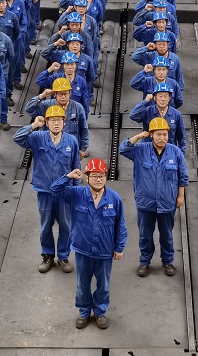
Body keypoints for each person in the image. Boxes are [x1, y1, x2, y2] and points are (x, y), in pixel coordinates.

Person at [51, 159, 127, 329]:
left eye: (101, 176)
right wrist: (68, 176)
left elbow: (120, 224)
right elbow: (55, 189)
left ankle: (100, 312)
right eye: (94, 176)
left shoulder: (114, 198)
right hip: (83, 249)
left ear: (105, 177)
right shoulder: (77, 194)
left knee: (104, 284)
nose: (98, 179)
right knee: (82, 283)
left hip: (104, 250)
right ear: (87, 177)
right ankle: (84, 311)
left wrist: (119, 247)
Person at [14, 106, 81, 273]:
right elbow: (17, 137)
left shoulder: (71, 141)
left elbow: (76, 167)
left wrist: (77, 192)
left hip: (65, 192)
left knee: (66, 226)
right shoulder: (37, 137)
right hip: (45, 191)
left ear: (64, 122)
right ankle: (47, 255)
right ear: (47, 122)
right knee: (46, 225)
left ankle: (63, 257)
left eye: (59, 120)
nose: (56, 123)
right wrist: (33, 125)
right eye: (52, 120)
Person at [120, 118, 188, 277]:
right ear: (151, 135)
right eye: (158, 134)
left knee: (167, 234)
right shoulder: (140, 150)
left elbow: (183, 176)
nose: (162, 138)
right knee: (145, 234)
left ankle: (167, 261)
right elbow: (123, 149)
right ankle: (145, 262)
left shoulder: (175, 152)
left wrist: (180, 196)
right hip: (146, 202)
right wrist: (138, 136)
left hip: (167, 202)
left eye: (165, 134)